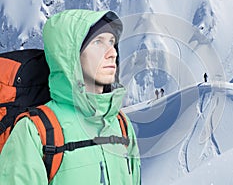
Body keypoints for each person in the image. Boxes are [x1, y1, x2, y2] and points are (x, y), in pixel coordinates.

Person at [0, 10, 140, 184]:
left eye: (112, 42)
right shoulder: (35, 131)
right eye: (98, 42)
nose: (112, 53)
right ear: (69, 55)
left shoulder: (121, 124)